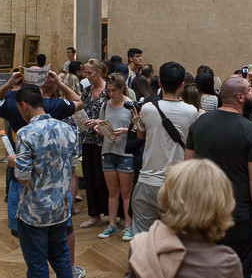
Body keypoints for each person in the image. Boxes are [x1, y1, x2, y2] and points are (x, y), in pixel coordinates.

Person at [186, 76, 252, 278]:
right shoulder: (251, 131)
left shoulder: (199, 124)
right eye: (251, 91)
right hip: (238, 215)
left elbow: (188, 168)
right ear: (241, 97)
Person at [7, 85, 91, 278]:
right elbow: (72, 164)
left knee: (37, 266)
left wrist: (13, 162)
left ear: (24, 105)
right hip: (61, 207)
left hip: (34, 212)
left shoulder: (26, 133)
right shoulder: (66, 128)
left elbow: (22, 177)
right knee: (63, 262)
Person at [131, 62, 199, 236]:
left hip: (148, 181)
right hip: (177, 184)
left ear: (159, 83)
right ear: (182, 85)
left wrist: (135, 124)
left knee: (143, 238)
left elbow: (140, 136)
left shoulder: (148, 109)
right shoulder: (191, 112)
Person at [89, 74, 139, 240]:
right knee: (112, 192)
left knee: (126, 192)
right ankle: (111, 225)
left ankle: (129, 225)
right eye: (109, 91)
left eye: (114, 91)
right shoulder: (105, 105)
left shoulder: (130, 106)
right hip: (108, 150)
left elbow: (138, 129)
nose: (111, 94)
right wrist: (100, 130)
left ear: (121, 89)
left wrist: (125, 131)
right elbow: (103, 123)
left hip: (125, 152)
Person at [79, 59, 111, 227]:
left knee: (105, 177)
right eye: (85, 73)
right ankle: (95, 214)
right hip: (88, 138)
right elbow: (81, 108)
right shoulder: (86, 90)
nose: (87, 76)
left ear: (99, 72)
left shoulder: (108, 90)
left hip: (104, 140)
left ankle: (112, 213)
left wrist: (98, 122)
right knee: (90, 176)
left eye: (90, 73)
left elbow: (113, 113)